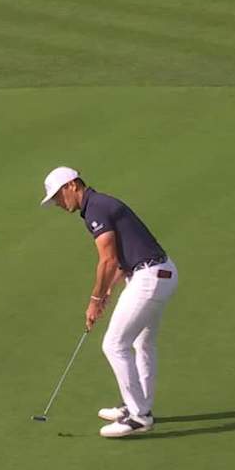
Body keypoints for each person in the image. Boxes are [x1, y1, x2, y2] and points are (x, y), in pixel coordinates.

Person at [41, 166, 179, 437]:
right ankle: (138, 407)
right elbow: (119, 260)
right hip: (159, 273)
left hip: (149, 278)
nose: (57, 203)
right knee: (142, 343)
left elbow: (108, 259)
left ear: (72, 186)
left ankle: (139, 416)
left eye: (57, 196)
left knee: (114, 344)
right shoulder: (99, 204)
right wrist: (106, 294)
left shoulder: (95, 208)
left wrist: (94, 299)